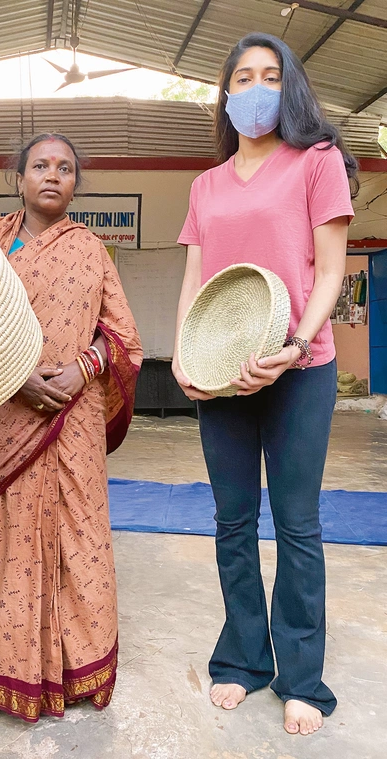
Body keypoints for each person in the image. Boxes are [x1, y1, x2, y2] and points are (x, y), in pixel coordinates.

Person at [0, 133, 142, 725]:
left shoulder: (93, 251)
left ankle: (76, 667)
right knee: (6, 540)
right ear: (18, 177)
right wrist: (17, 378)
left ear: (76, 183)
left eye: (65, 168)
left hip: (75, 420)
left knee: (80, 538)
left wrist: (82, 370)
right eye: (40, 165)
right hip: (4, 411)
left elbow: (124, 338)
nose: (53, 175)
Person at [173, 33, 357, 737]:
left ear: (291, 86)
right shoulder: (205, 185)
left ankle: (302, 677)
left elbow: (332, 270)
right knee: (232, 521)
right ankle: (245, 657)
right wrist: (185, 355)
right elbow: (195, 276)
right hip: (219, 371)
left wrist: (297, 343)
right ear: (225, 94)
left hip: (299, 368)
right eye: (243, 76)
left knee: (299, 523)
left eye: (271, 75)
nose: (256, 87)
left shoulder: (316, 163)